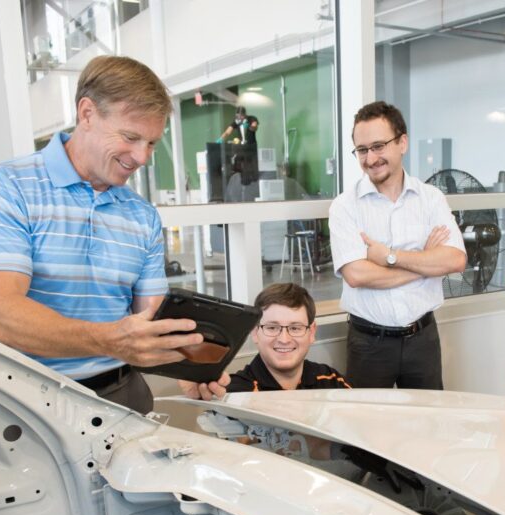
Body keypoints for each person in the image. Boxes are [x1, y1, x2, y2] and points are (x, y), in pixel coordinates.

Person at [0, 56, 212, 415]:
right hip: (25, 399)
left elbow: (151, 318)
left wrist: (186, 364)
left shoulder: (141, 214)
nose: (142, 157)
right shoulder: (4, 187)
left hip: (125, 395)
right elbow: (0, 316)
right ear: (87, 113)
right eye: (130, 137)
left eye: (152, 143)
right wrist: (111, 341)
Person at [328, 101, 467, 389]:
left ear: (402, 143)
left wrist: (387, 256)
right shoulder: (345, 206)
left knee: (427, 428)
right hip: (368, 344)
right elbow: (357, 275)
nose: (371, 158)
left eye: (379, 146)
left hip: (423, 339)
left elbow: (454, 260)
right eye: (362, 150)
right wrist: (425, 264)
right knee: (365, 429)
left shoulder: (431, 199)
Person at [179, 283, 349, 399]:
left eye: (295, 328)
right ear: (255, 332)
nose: (284, 339)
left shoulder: (331, 380)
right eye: (272, 328)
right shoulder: (233, 393)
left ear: (311, 333)